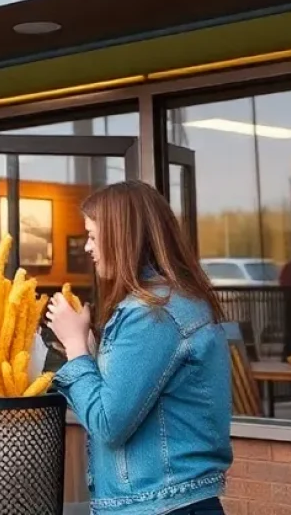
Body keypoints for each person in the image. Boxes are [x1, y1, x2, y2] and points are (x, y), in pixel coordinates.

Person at [46, 181, 232, 515]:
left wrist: (75, 346)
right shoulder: (173, 303)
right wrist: (88, 347)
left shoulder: (151, 313)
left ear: (121, 235)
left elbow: (109, 423)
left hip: (158, 504)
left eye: (92, 235)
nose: (87, 247)